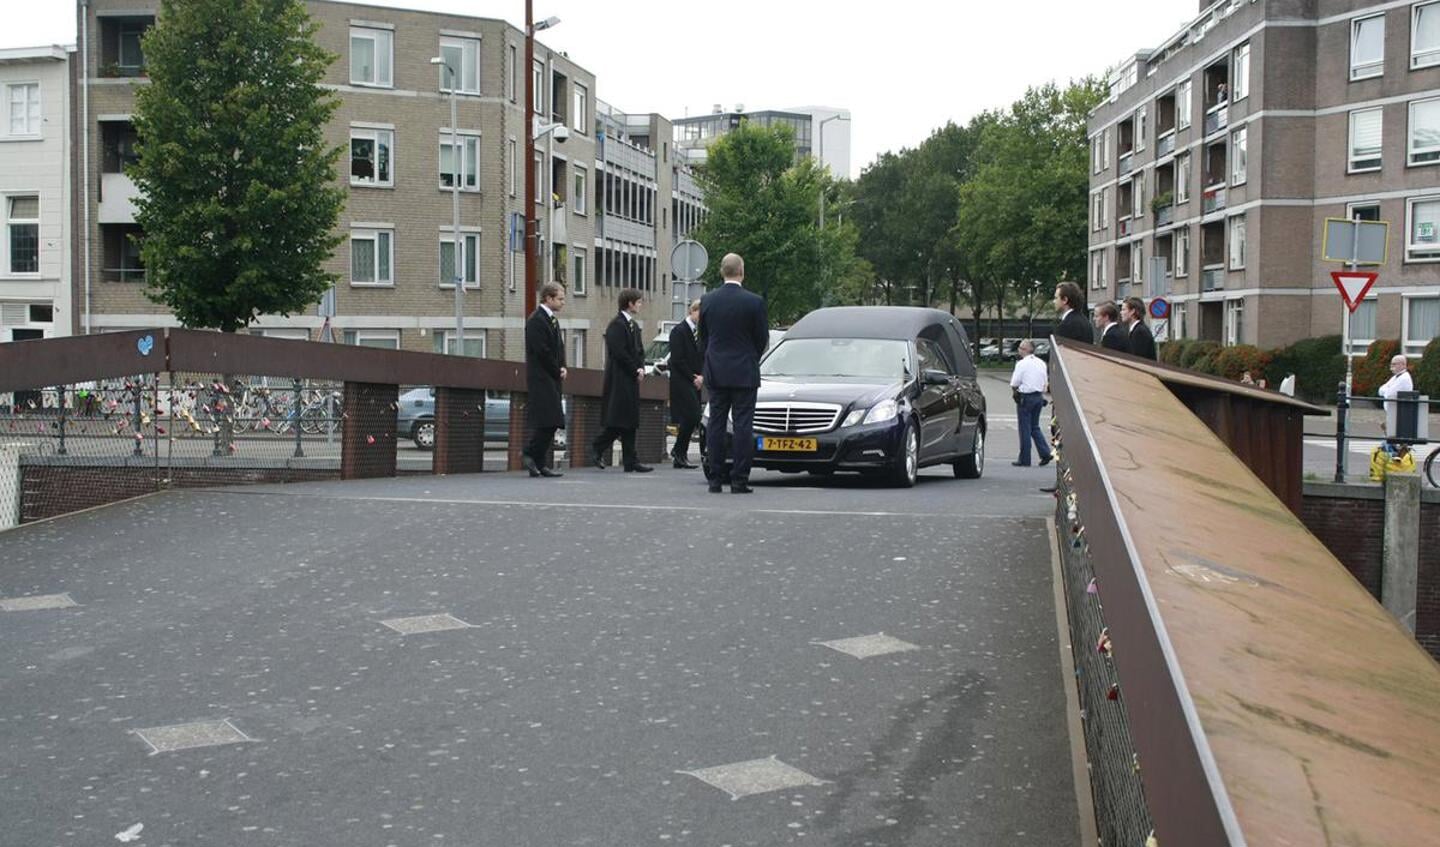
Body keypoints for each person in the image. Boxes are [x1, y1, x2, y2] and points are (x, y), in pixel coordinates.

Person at [699, 253, 769, 494]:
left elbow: (704, 338)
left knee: (716, 424)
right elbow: (761, 339)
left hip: (716, 371)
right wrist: (750, 358)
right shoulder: (754, 302)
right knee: (743, 426)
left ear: (722, 272)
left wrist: (710, 361)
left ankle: (715, 479)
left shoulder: (707, 300)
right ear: (742, 271)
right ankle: (739, 480)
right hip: (744, 372)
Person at [590, 288, 652, 473]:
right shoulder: (616, 325)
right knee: (620, 420)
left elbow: (639, 350)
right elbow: (619, 353)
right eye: (638, 302)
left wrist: (641, 367)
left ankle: (630, 460)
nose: (640, 305)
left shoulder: (632, 325)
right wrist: (635, 369)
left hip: (631, 378)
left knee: (629, 420)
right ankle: (598, 447)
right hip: (619, 379)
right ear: (630, 303)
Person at [523, 282, 568, 477]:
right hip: (541, 377)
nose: (562, 302)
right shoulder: (536, 320)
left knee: (552, 420)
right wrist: (556, 368)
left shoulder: (552, 320)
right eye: (560, 298)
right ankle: (529, 454)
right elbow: (542, 351)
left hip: (552, 376)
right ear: (548, 298)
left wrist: (563, 365)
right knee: (548, 419)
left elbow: (559, 347)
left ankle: (539, 462)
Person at [668, 299, 704, 469]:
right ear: (693, 311)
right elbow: (677, 359)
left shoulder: (701, 332)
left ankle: (680, 455)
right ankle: (678, 450)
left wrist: (702, 376)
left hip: (695, 380)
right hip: (682, 380)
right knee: (692, 415)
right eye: (701, 314)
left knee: (691, 418)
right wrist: (693, 377)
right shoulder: (679, 331)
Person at [1009, 339, 1053, 467]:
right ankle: (1045, 452)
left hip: (1026, 397)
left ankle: (1025, 458)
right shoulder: (1041, 363)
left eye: (1021, 348)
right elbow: (1045, 382)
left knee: (1024, 428)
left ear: (1026, 350)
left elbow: (1015, 382)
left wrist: (1015, 392)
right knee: (1035, 427)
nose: (1019, 350)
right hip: (1038, 396)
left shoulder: (1022, 364)